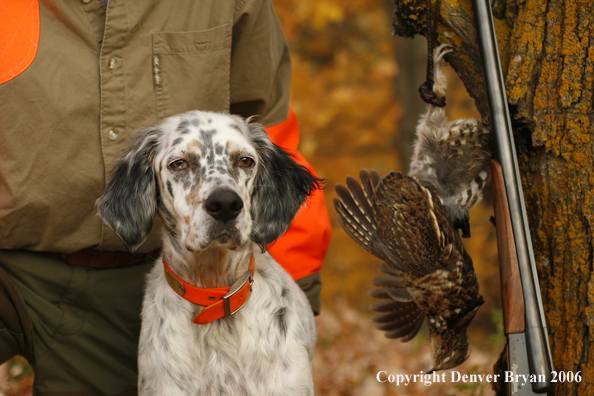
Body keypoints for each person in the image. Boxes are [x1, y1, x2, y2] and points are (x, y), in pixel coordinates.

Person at [0, 1, 332, 395]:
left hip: (126, 281)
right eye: (180, 165)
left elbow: (275, 135)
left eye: (240, 161)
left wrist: (298, 293)